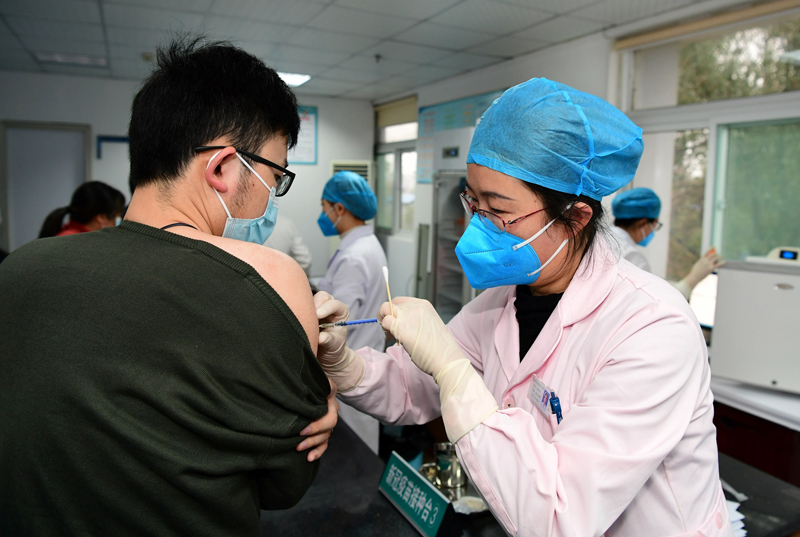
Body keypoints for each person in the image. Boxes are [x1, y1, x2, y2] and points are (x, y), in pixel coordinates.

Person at [314, 78, 733, 537]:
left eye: (498, 211)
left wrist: (453, 371)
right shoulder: (502, 301)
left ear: (574, 218)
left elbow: (560, 517)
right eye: (473, 202)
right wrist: (345, 364)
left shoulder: (653, 328)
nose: (477, 228)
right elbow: (410, 387)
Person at [0, 37, 338, 537]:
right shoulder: (272, 279)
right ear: (222, 168)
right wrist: (323, 391)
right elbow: (284, 485)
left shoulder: (19, 269)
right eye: (275, 177)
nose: (272, 198)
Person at [316, 170, 387, 454]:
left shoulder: (353, 256)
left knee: (354, 455)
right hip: (366, 358)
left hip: (353, 365)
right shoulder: (366, 245)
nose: (322, 215)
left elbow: (337, 320)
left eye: (324, 208)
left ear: (339, 208)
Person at [611, 187, 724, 299]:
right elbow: (656, 302)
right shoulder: (632, 258)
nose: (653, 231)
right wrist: (693, 279)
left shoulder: (606, 239)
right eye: (655, 225)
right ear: (643, 223)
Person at [38, 180, 125, 238]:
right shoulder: (75, 242)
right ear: (101, 217)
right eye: (116, 216)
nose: (117, 222)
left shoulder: (70, 236)